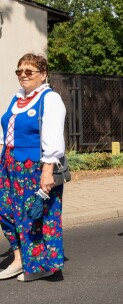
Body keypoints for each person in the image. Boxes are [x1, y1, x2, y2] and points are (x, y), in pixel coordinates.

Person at [0, 53, 66, 281]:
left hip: (34, 166)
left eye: (29, 71)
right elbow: (4, 132)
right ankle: (19, 260)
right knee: (6, 211)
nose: (23, 75)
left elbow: (53, 137)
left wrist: (47, 171)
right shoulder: (16, 98)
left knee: (36, 215)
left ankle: (44, 265)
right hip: (9, 163)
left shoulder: (50, 99)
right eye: (19, 71)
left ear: (43, 74)